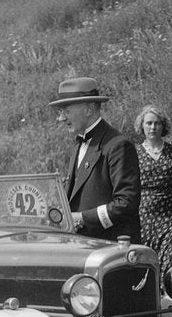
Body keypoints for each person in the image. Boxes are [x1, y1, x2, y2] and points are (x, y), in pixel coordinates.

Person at [49, 76, 141, 242]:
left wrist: (81, 218)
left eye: (67, 111)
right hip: (83, 248)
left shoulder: (118, 145)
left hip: (112, 250)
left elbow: (126, 204)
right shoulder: (77, 144)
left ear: (89, 109)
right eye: (61, 112)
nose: (61, 118)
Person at [134, 104, 172, 267]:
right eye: (149, 123)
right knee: (149, 261)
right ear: (142, 125)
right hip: (145, 216)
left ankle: (170, 292)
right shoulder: (134, 153)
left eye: (157, 123)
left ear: (163, 126)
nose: (153, 127)